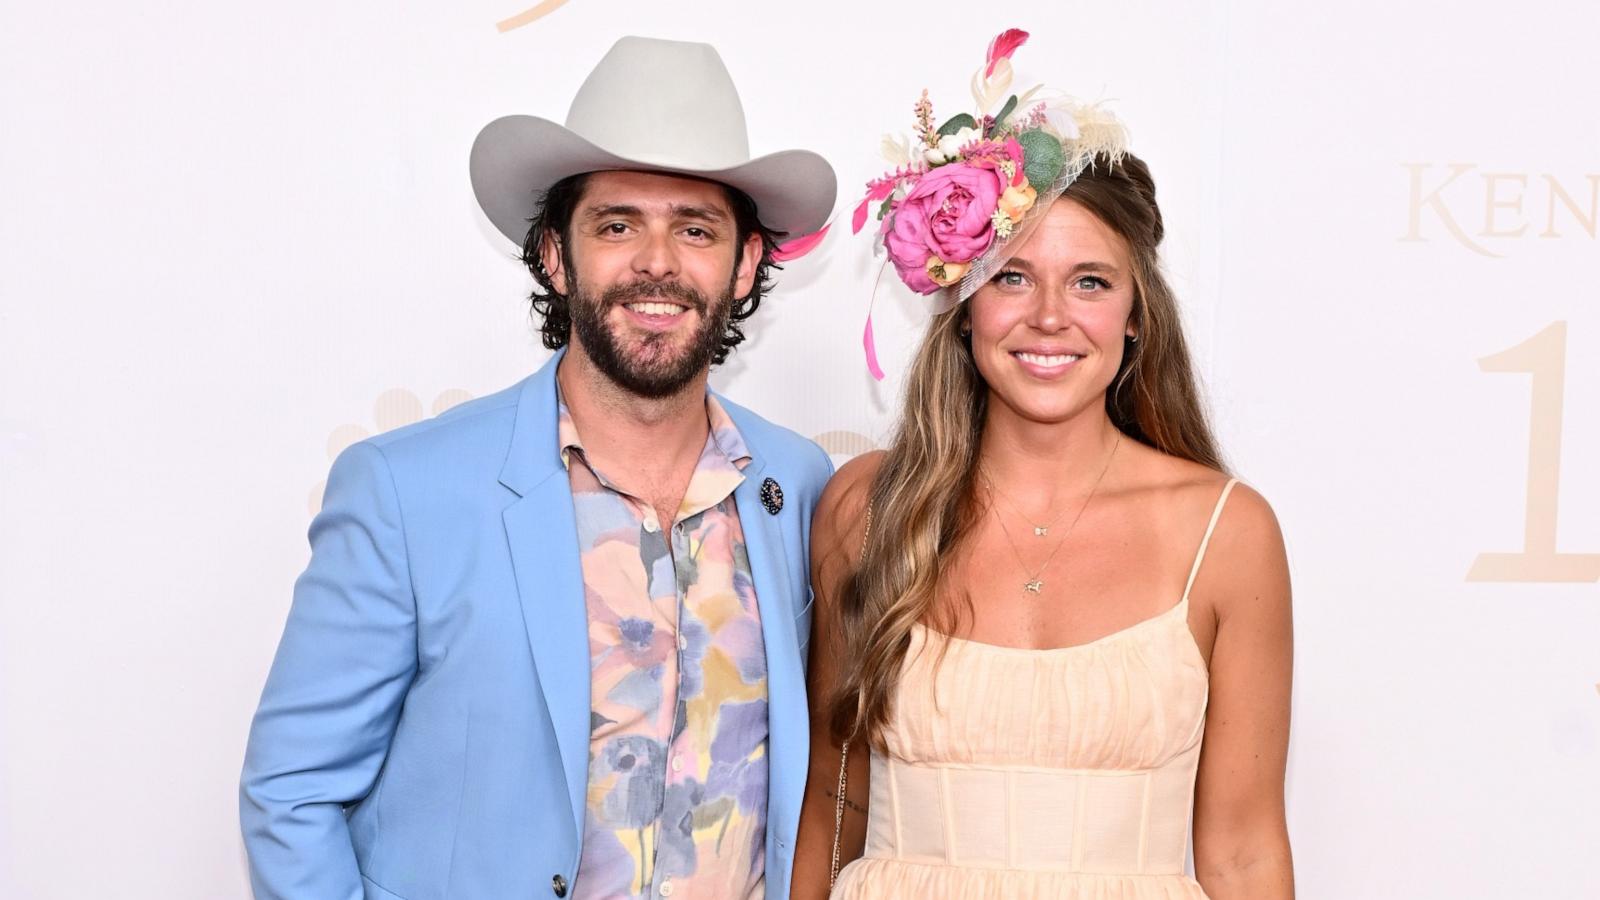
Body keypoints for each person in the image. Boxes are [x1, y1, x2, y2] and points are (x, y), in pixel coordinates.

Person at [240, 36, 838, 900]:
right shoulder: (407, 493)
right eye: (617, 224)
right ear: (556, 256)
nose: (657, 263)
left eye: (696, 229)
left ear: (746, 264)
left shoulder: (800, 484)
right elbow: (291, 792)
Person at [791, 30, 1294, 900]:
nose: (1051, 317)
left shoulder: (1227, 531)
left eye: (1091, 282)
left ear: (1138, 315)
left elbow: (1244, 853)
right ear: (962, 305)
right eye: (1013, 278)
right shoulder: (864, 510)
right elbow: (835, 802)